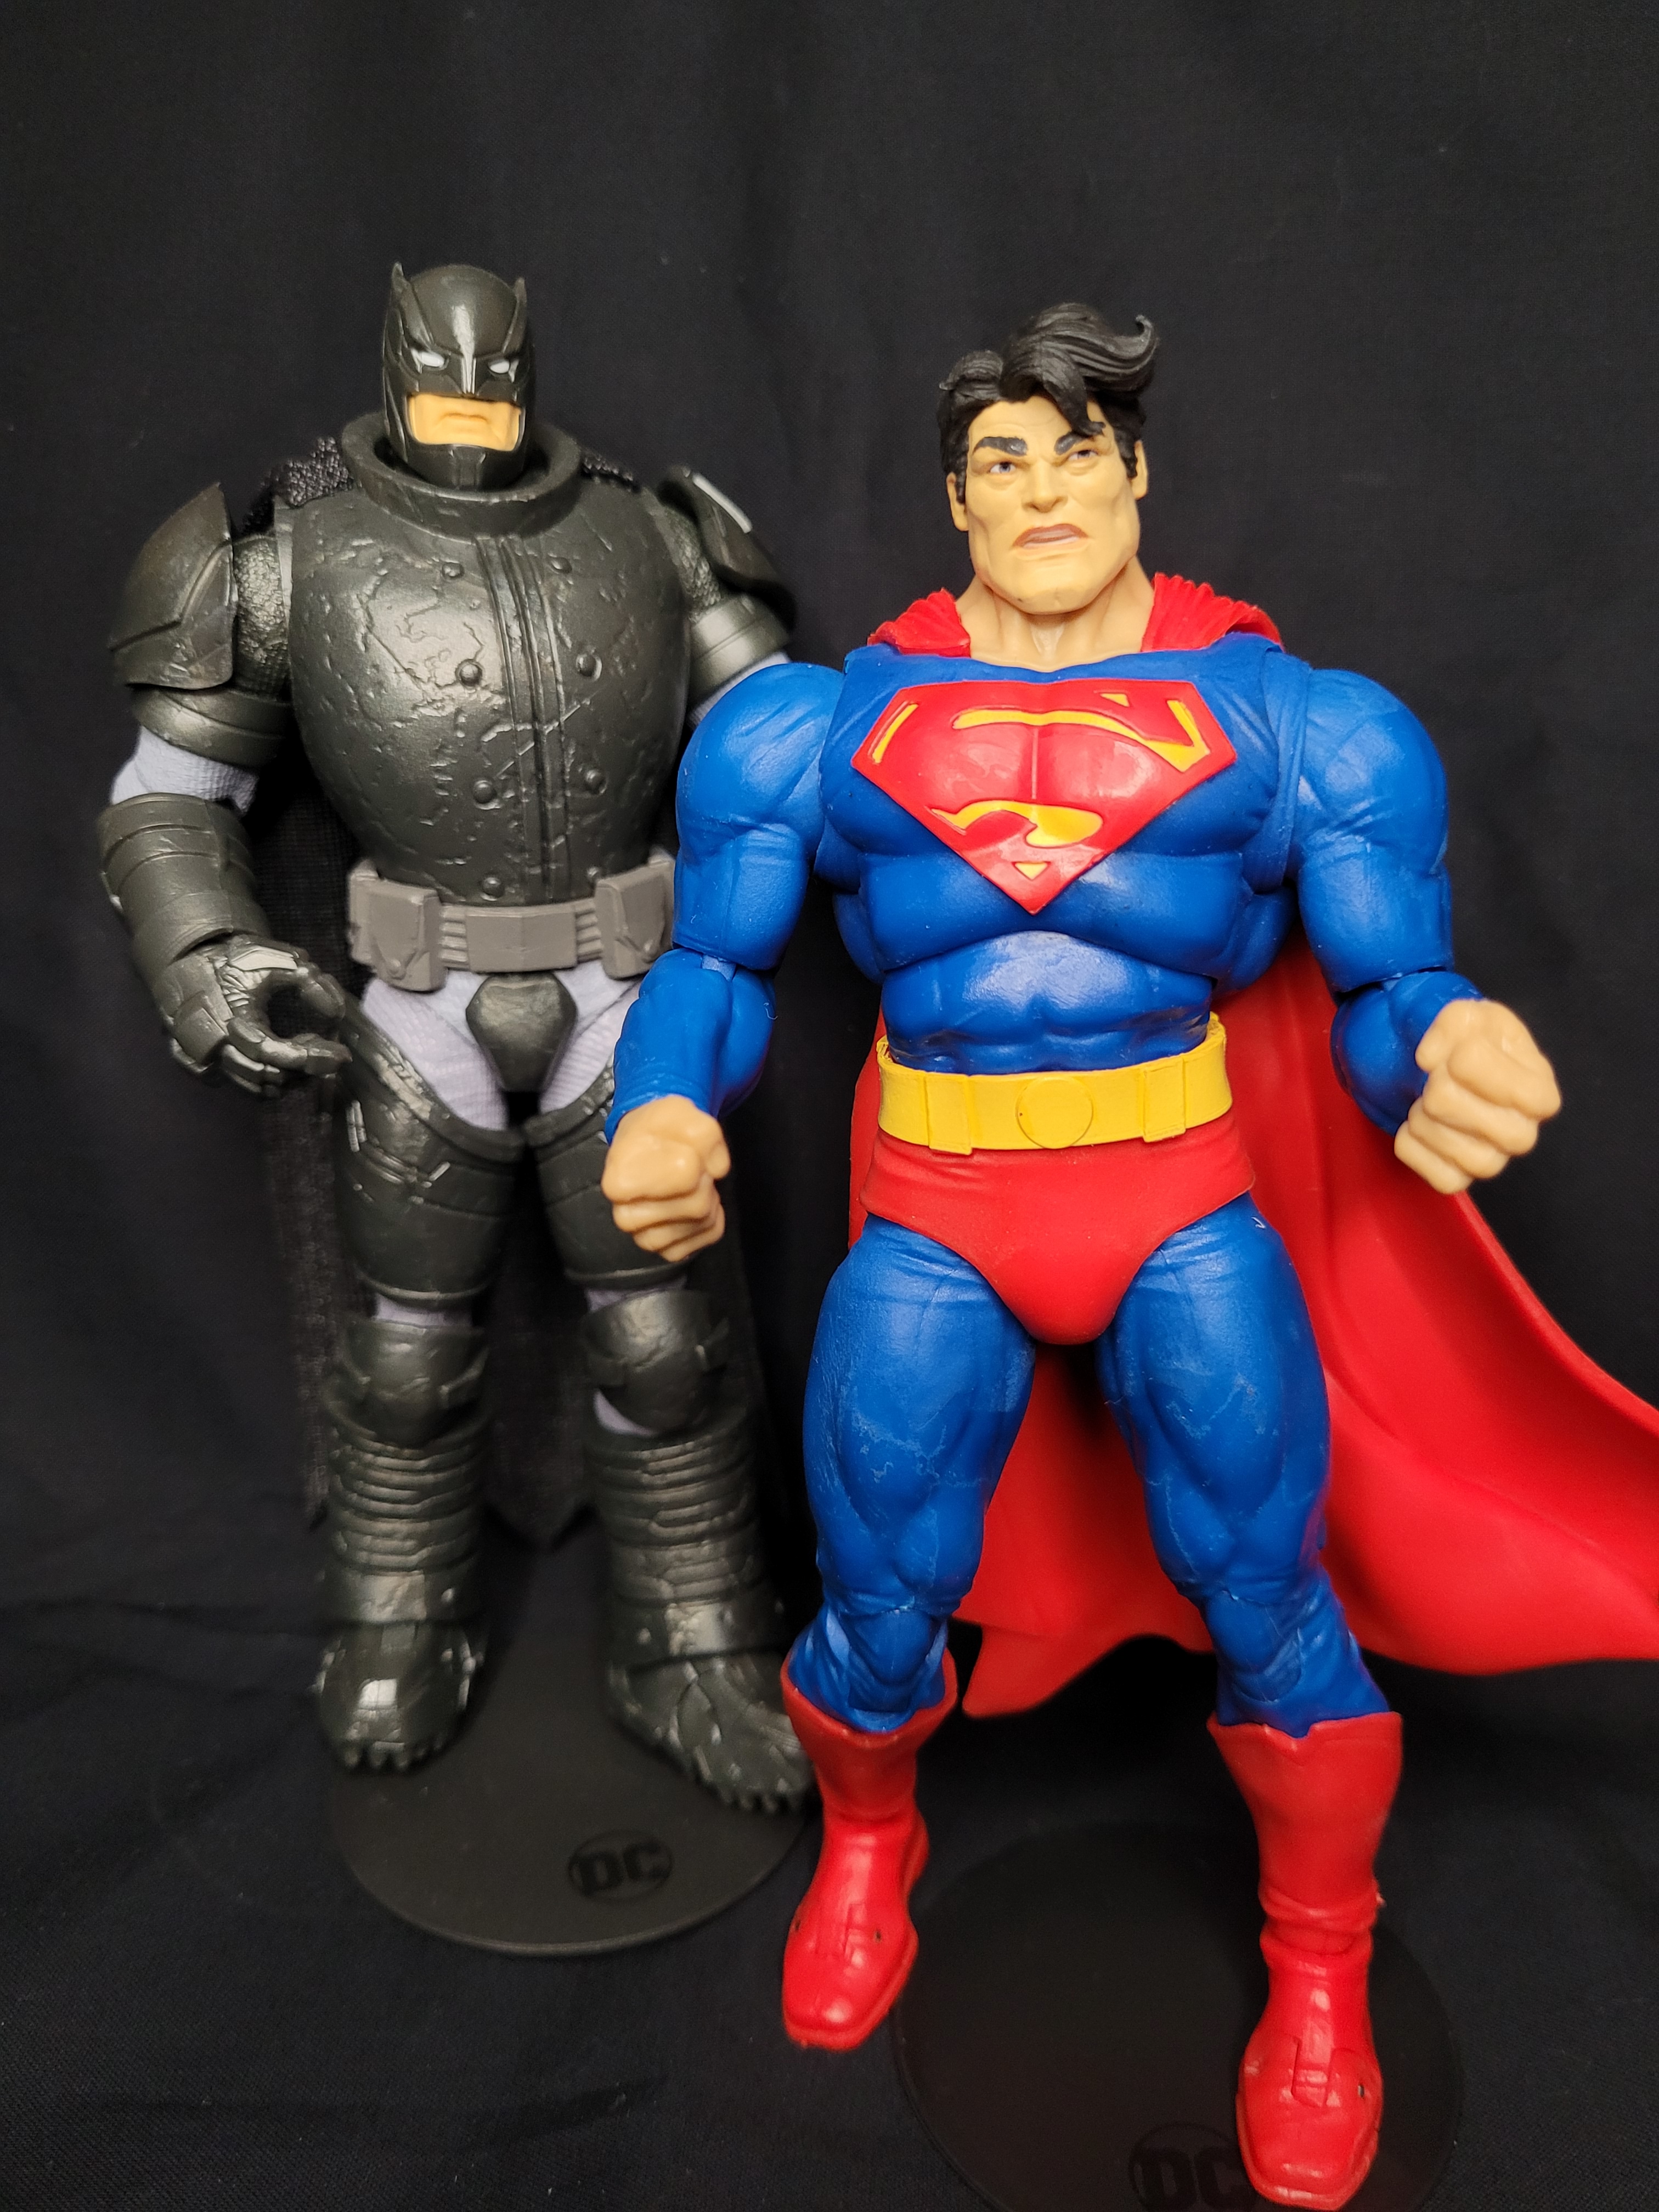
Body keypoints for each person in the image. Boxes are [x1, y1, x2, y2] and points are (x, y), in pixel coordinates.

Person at [598, 301, 1562, 2207]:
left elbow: (1384, 991)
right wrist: (660, 1104)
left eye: (1078, 451)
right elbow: (710, 966)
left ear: (1138, 476)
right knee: (878, 1587)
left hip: (1175, 1199)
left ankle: (1320, 1967)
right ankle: (868, 1849)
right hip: (939, 1212)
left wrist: (1448, 1050)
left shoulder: (1301, 723)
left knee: (1267, 1590)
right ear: (955, 502)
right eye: (1002, 459)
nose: (1042, 488)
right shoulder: (810, 728)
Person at [97, 262, 810, 1812]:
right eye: (441, 383)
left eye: (493, 385)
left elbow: (792, 747)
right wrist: (208, 954)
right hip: (419, 1011)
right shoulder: (285, 560)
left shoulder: (652, 535)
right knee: (408, 1356)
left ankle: (690, 1639)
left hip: (624, 998)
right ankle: (398, 1619)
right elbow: (169, 796)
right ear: (393, 365)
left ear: (532, 371)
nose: (471, 414)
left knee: (660, 1341)